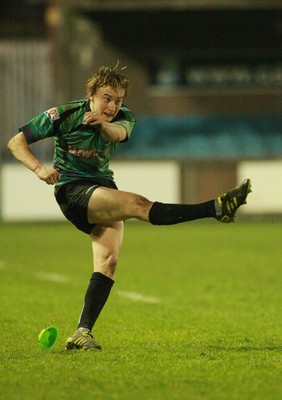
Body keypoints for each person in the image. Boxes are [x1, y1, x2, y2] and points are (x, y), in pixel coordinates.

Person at [7, 62, 251, 351]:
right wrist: (38, 169)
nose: (112, 106)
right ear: (91, 95)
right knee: (138, 205)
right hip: (72, 190)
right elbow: (16, 141)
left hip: (102, 188)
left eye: (117, 100)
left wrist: (105, 124)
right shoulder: (63, 115)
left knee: (107, 263)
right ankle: (215, 208)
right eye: (106, 99)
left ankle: (82, 333)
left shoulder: (124, 117)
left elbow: (118, 134)